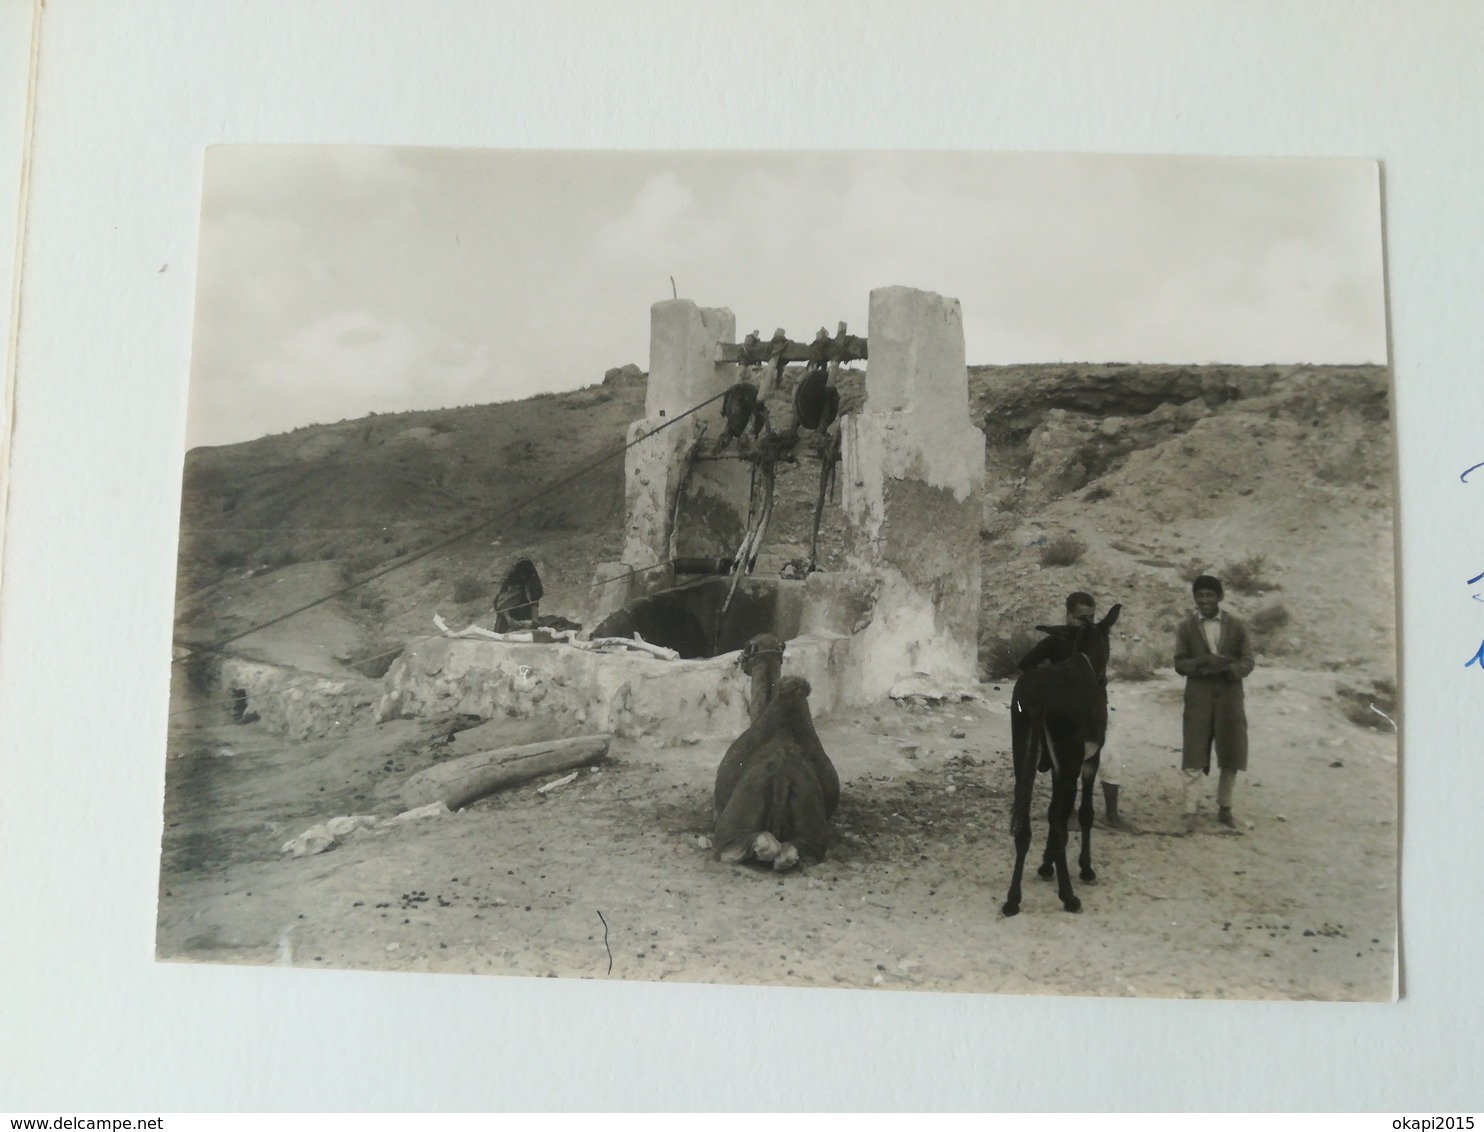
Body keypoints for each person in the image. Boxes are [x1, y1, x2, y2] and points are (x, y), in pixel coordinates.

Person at [1017, 591, 1128, 829]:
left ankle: (1112, 815)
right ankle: (1068, 814)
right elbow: (1026, 665)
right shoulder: (1056, 641)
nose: (1086, 623)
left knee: (1111, 756)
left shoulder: (1096, 639)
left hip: (1096, 708)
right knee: (1068, 763)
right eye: (1080, 618)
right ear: (1068, 616)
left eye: (1090, 617)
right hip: (1066, 714)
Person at [1173, 574, 1255, 828]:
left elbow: (1248, 661)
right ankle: (1190, 812)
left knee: (1232, 752)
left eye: (1210, 595)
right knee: (1194, 753)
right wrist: (1201, 663)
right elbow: (1179, 663)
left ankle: (1225, 807)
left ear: (1220, 597)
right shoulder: (1186, 627)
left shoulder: (1237, 625)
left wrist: (1229, 670)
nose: (1205, 601)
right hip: (1198, 698)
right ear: (1195, 598)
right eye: (1200, 596)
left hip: (1230, 699)